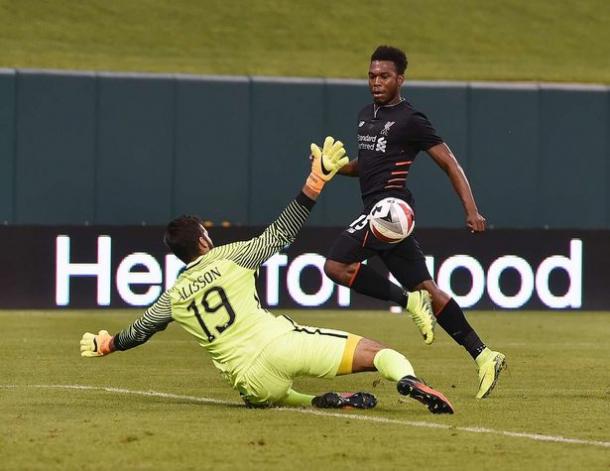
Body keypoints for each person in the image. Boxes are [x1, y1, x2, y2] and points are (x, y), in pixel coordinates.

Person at [80, 137, 454, 414]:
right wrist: (315, 183)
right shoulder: (230, 257)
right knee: (380, 353)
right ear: (203, 240)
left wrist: (109, 344)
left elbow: (140, 331)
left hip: (249, 381)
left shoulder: (174, 296)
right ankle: (408, 380)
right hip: (279, 345)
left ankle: (318, 402)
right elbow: (281, 233)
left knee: (271, 396)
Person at [323, 45, 506, 399]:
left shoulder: (410, 119)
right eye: (372, 75)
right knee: (429, 290)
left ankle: (406, 302)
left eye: (384, 76)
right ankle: (485, 355)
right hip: (382, 216)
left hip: (389, 212)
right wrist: (337, 169)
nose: (376, 82)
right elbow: (367, 166)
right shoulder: (365, 115)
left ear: (400, 79)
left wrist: (472, 210)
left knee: (335, 265)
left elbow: (449, 162)